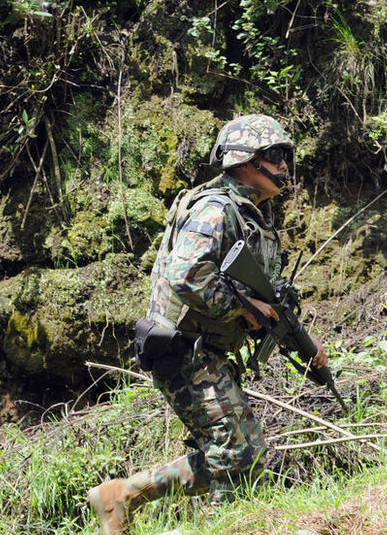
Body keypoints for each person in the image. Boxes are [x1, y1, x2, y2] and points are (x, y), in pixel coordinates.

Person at [87, 114, 328, 534]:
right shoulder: (216, 210)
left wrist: (303, 343)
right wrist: (245, 309)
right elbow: (185, 275)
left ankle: (123, 495)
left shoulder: (255, 215)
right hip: (180, 348)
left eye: (286, 156)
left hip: (203, 351)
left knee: (239, 450)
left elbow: (261, 298)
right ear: (244, 162)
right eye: (276, 155)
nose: (285, 166)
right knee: (239, 454)